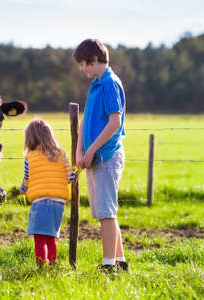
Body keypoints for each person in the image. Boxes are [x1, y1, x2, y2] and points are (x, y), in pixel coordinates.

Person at [73, 38, 128, 273]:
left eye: (83, 64)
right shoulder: (96, 84)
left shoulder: (109, 84)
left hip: (106, 157)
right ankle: (120, 261)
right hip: (93, 158)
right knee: (104, 211)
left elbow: (115, 123)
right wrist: (79, 150)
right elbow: (86, 119)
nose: (81, 69)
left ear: (94, 59)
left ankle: (108, 266)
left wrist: (92, 149)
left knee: (106, 213)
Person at [20, 118, 75, 266]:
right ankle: (52, 263)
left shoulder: (30, 158)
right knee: (51, 237)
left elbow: (27, 179)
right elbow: (70, 177)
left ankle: (40, 265)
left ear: (29, 139)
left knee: (39, 238)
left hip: (40, 203)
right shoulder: (60, 154)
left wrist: (22, 190)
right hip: (58, 203)